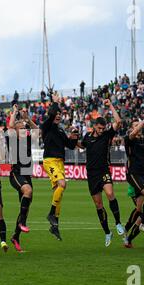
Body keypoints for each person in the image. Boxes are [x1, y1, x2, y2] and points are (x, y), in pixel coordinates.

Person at [77, 99, 125, 247]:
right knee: (98, 205)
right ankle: (107, 232)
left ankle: (118, 223)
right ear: (94, 127)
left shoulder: (106, 135)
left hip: (104, 170)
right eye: (99, 128)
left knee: (110, 194)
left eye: (103, 128)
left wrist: (110, 105)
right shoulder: (88, 137)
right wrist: (71, 140)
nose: (101, 130)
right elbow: (81, 145)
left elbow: (118, 121)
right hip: (91, 174)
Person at [41, 93, 79, 240]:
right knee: (62, 184)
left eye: (60, 114)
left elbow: (69, 145)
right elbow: (51, 115)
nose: (58, 116)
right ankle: (51, 214)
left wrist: (75, 136)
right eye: (56, 114)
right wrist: (55, 103)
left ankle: (55, 225)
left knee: (59, 192)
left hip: (59, 163)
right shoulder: (47, 126)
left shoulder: (61, 130)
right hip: (50, 161)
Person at [7, 104, 38, 252]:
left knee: (25, 206)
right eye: (22, 128)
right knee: (28, 191)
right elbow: (11, 125)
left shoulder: (28, 140)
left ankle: (15, 236)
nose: (25, 130)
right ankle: (22, 223)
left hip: (26, 174)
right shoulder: (12, 139)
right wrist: (15, 112)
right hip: (16, 173)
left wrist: (28, 119)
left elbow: (37, 130)